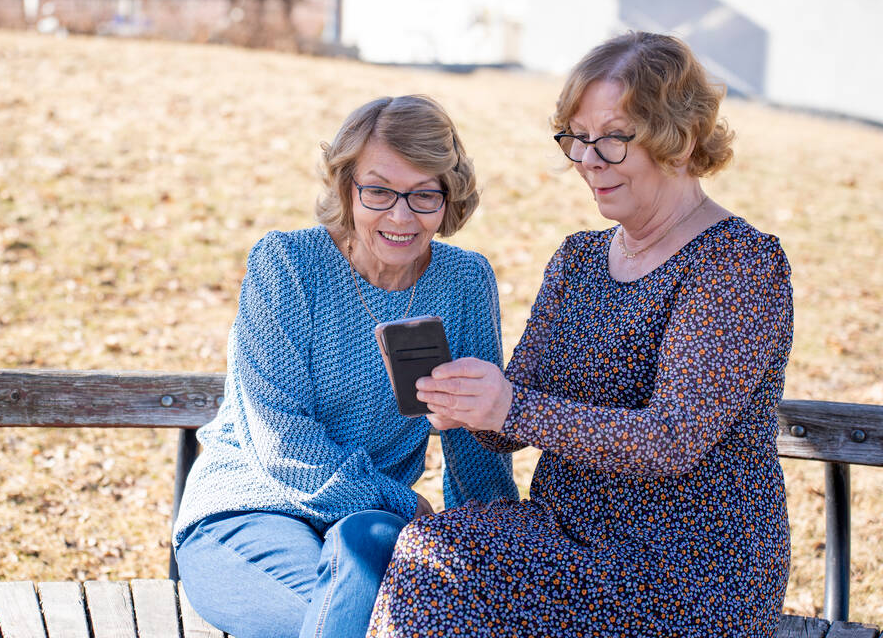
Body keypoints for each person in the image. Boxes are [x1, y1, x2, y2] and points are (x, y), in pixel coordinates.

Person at [367, 33, 794, 637]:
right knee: (429, 553)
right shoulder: (579, 260)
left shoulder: (737, 264)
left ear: (681, 139)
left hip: (689, 570)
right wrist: (469, 404)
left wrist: (513, 407)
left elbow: (671, 440)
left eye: (614, 139)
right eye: (578, 138)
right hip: (564, 538)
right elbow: (511, 426)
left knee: (436, 572)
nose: (589, 159)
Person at [173, 95, 520, 638]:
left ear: (448, 197)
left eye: (424, 194)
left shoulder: (464, 281)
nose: (401, 216)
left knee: (390, 589)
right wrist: (405, 502)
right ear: (345, 188)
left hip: (370, 530)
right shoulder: (288, 264)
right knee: (359, 622)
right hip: (251, 510)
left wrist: (497, 546)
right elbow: (282, 445)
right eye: (379, 191)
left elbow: (475, 439)